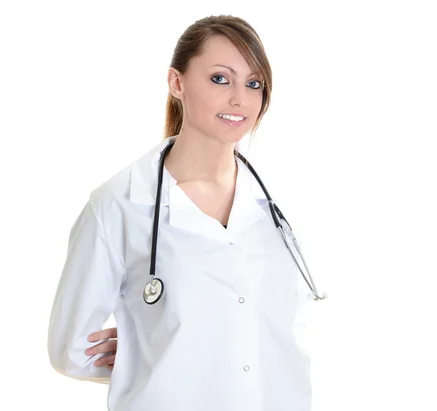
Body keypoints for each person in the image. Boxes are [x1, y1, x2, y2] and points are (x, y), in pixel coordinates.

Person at [48, 15, 318, 411]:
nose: (240, 99)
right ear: (177, 83)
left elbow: (279, 327)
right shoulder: (119, 204)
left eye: (254, 83)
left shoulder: (272, 202)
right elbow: (71, 348)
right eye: (220, 79)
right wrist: (153, 353)